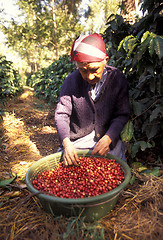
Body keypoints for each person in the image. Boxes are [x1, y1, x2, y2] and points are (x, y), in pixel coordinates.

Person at [55, 33, 130, 166]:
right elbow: (61, 115)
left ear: (105, 60)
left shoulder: (117, 78)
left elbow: (121, 114)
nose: (89, 77)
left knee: (113, 168)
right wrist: (66, 144)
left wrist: (108, 138)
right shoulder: (71, 81)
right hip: (79, 139)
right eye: (83, 70)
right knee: (68, 166)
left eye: (94, 69)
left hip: (107, 137)